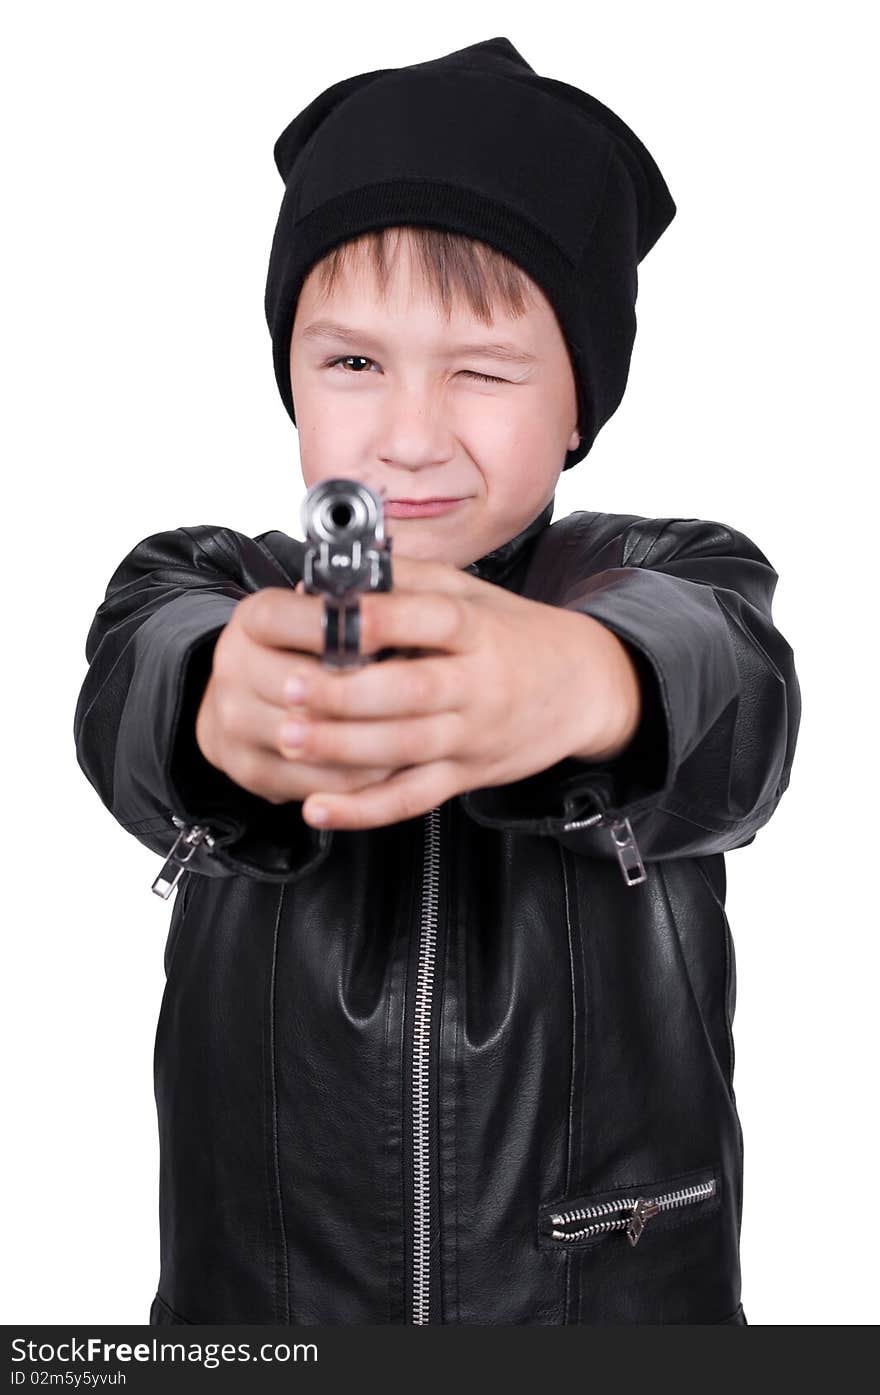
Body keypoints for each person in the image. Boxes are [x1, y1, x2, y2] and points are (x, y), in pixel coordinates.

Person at [73, 36, 800, 1325]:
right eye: (352, 363)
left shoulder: (664, 571)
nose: (408, 433)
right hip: (262, 1315)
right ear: (291, 376)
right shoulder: (211, 582)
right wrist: (219, 701)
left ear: (582, 399)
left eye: (483, 367)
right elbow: (140, 673)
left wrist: (584, 683)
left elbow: (727, 681)